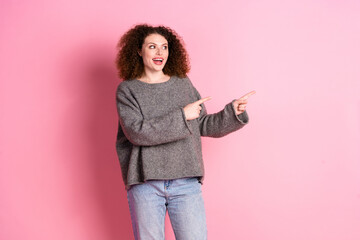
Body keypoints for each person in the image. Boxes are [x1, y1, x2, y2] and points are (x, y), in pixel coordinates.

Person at [115, 24, 255, 240]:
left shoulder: (182, 84)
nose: (160, 52)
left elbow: (202, 125)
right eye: (152, 46)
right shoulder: (128, 90)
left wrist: (232, 113)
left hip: (185, 182)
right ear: (139, 50)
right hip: (146, 183)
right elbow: (137, 133)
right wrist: (182, 115)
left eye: (164, 47)